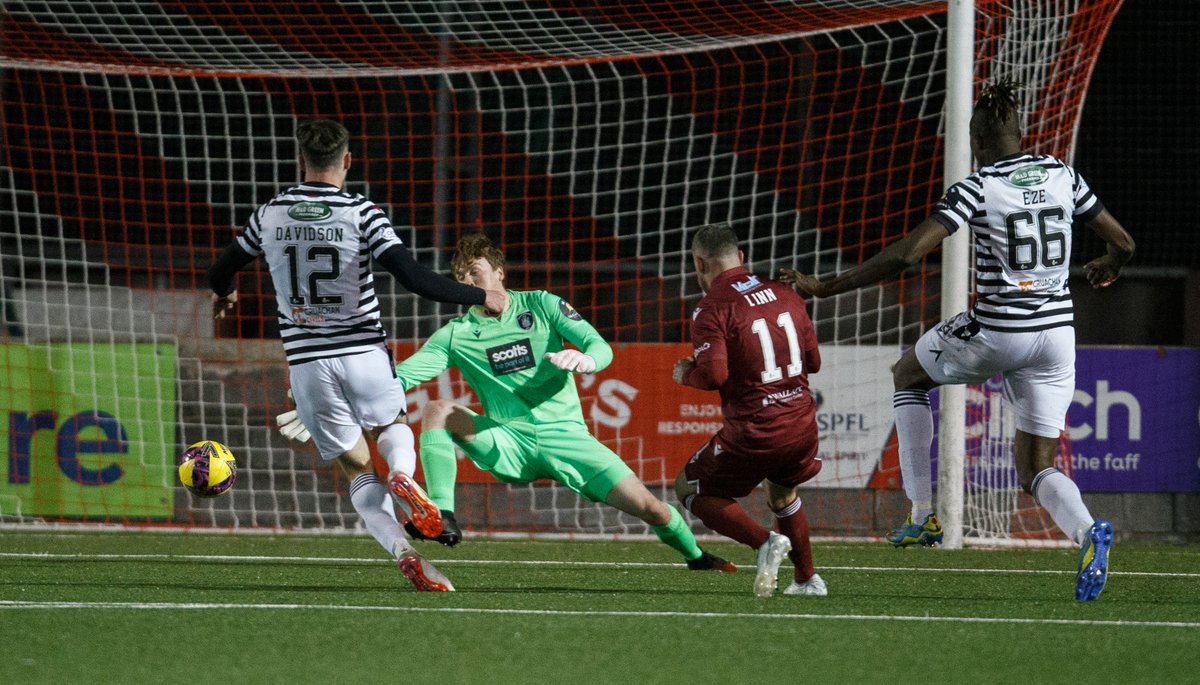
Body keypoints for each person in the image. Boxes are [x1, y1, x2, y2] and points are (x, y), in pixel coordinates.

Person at [778, 78, 1135, 601]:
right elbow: (1123, 241)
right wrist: (1109, 264)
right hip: (1057, 335)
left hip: (999, 328)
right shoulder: (1062, 173)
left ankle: (923, 514)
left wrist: (826, 286)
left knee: (907, 374)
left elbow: (906, 254)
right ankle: (1087, 533)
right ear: (1020, 130)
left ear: (976, 139)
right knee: (1036, 465)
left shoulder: (979, 184)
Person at [281, 233, 738, 573]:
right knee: (438, 410)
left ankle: (696, 557)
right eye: (460, 277)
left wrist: (583, 359)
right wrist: (321, 403)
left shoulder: (542, 305)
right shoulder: (457, 333)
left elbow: (602, 348)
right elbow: (400, 377)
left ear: (499, 272)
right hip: (507, 440)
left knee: (654, 510)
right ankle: (442, 513)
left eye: (474, 272)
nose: (466, 281)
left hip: (566, 438)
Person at [205, 118, 506, 593]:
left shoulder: (270, 214)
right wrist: (477, 297)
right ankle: (405, 477)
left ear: (299, 160)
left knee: (357, 469)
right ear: (347, 161)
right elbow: (413, 278)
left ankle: (404, 553)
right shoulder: (362, 212)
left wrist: (224, 294)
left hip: (306, 363)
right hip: (363, 350)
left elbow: (220, 268)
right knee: (392, 430)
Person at [671, 223, 827, 598]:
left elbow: (714, 374)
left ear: (698, 263)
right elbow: (814, 362)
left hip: (758, 427)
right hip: (802, 420)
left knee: (690, 488)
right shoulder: (784, 292)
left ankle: (763, 543)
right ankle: (807, 580)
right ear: (741, 257)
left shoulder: (712, 307)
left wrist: (686, 374)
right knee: (782, 494)